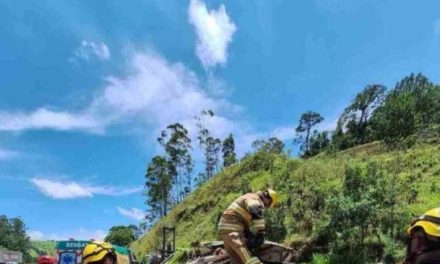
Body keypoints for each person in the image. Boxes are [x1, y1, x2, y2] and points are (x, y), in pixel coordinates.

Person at [217, 189, 279, 264]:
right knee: (249, 258)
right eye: (268, 204)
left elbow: (243, 220)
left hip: (225, 230)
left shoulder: (248, 197)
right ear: (268, 199)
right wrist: (260, 232)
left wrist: (248, 235)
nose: (266, 207)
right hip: (233, 229)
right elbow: (255, 210)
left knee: (237, 260)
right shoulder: (254, 199)